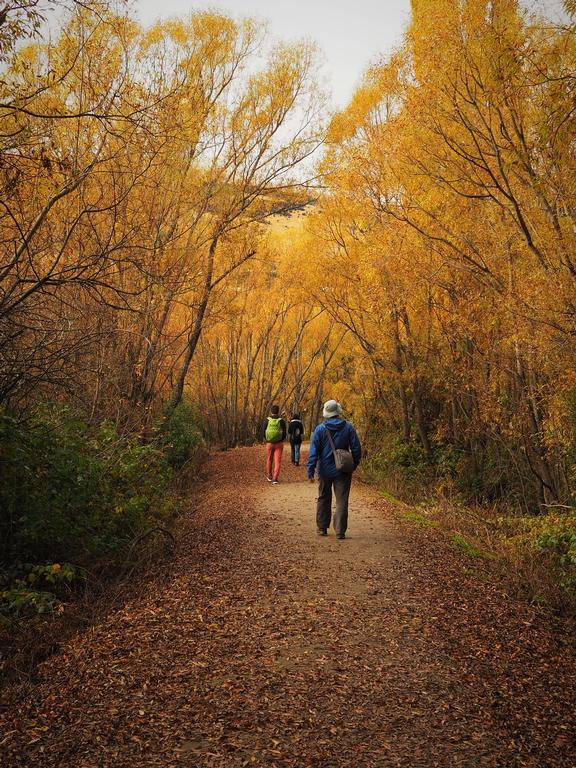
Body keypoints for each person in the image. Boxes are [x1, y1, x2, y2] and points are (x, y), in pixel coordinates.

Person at [307, 399, 361, 539]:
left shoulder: (320, 429)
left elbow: (314, 452)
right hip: (343, 469)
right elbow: (356, 448)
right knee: (342, 499)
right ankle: (340, 531)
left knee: (323, 497)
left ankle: (322, 527)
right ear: (338, 412)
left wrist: (311, 470)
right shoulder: (348, 427)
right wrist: (353, 464)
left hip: (324, 469)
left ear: (326, 413)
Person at [264, 404, 286, 484]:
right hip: (279, 444)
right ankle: (275, 478)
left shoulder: (267, 420)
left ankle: (269, 476)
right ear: (278, 411)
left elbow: (264, 430)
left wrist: (267, 439)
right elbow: (284, 433)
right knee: (277, 461)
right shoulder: (281, 421)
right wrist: (281, 439)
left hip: (269, 443)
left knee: (269, 459)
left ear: (271, 411)